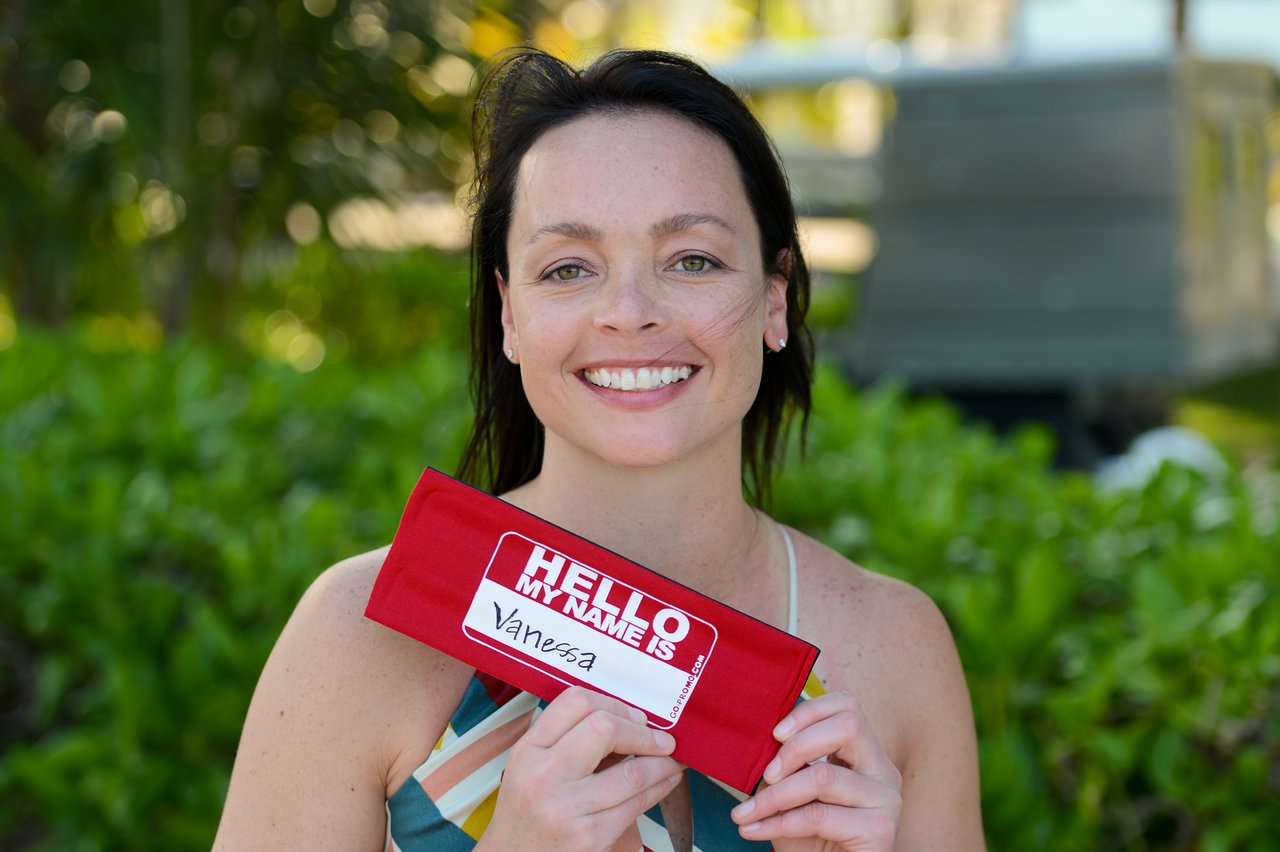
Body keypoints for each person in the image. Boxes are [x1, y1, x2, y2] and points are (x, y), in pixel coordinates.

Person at [214, 47, 983, 851]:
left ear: (774, 298)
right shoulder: (360, 634)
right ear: (509, 314)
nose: (629, 312)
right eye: (569, 268)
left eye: (692, 259)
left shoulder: (897, 647)